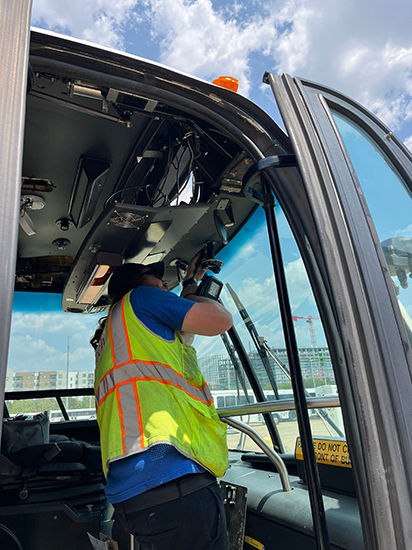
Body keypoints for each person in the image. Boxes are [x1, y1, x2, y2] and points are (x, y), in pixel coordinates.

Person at [91, 250, 233, 550]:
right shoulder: (141, 298)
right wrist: (197, 296)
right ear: (137, 282)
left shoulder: (117, 329)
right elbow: (220, 320)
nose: (164, 284)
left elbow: (181, 336)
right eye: (158, 276)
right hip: (172, 479)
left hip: (136, 489)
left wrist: (190, 286)